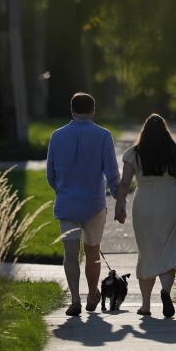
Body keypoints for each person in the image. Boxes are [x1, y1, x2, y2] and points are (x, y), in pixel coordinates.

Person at [114, 113, 176, 317]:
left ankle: (145, 306)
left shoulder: (133, 153)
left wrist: (120, 206)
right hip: (169, 202)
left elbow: (125, 183)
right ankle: (165, 291)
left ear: (143, 132)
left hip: (144, 204)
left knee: (147, 252)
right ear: (165, 132)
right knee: (169, 251)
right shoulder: (173, 151)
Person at [47, 92, 120, 316]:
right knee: (93, 253)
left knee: (70, 254)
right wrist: (120, 200)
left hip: (67, 204)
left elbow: (51, 174)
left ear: (72, 111)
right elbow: (111, 173)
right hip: (94, 205)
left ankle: (75, 299)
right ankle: (91, 294)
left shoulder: (57, 136)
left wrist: (62, 190)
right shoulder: (103, 135)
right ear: (93, 111)